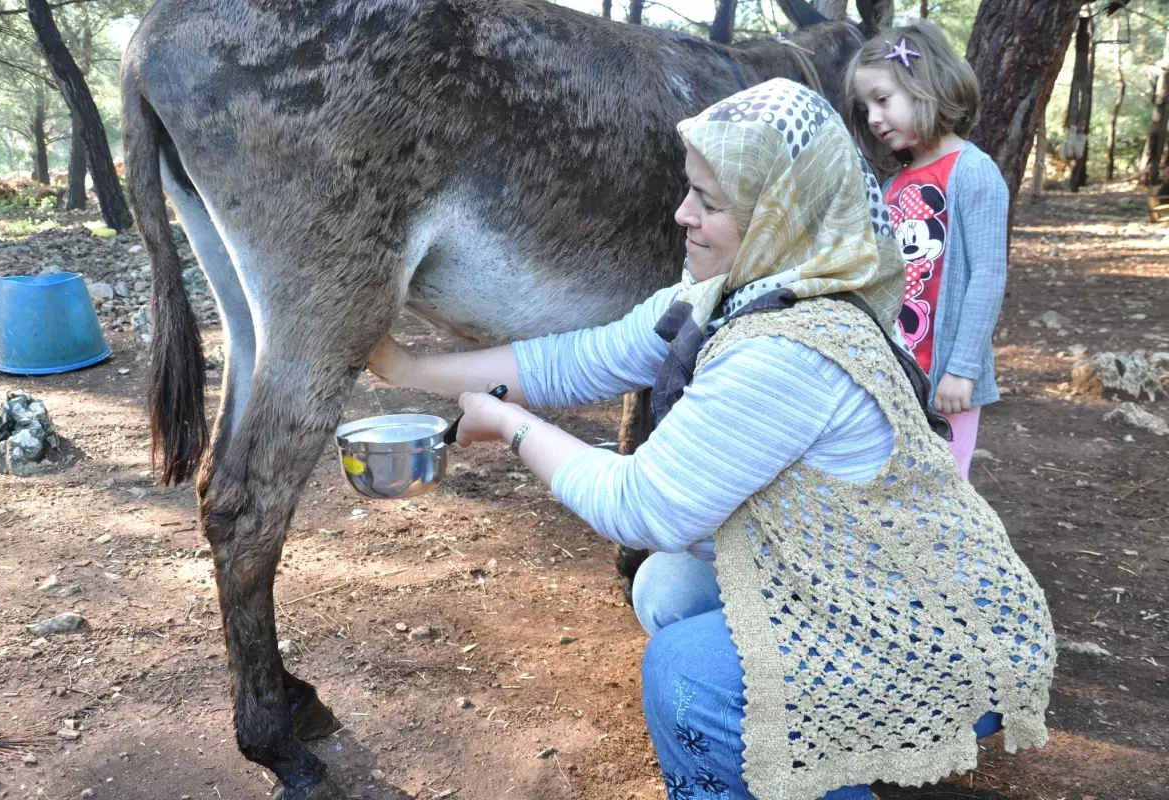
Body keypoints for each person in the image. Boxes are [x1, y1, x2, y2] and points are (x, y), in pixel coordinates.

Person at [368, 78, 1054, 800]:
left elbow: (641, 507)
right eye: (689, 190)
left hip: (944, 646)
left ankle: (814, 770)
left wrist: (511, 426)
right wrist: (404, 367)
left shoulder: (789, 348)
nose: (681, 214)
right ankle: (813, 750)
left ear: (776, 212)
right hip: (854, 586)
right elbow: (579, 359)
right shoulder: (733, 291)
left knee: (687, 672)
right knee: (670, 584)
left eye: (710, 202)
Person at [845, 21, 1009, 480]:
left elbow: (987, 276)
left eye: (883, 99)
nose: (874, 118)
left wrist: (962, 369)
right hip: (891, 373)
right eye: (866, 107)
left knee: (940, 487)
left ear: (927, 86)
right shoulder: (892, 184)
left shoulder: (973, 173)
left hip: (944, 377)